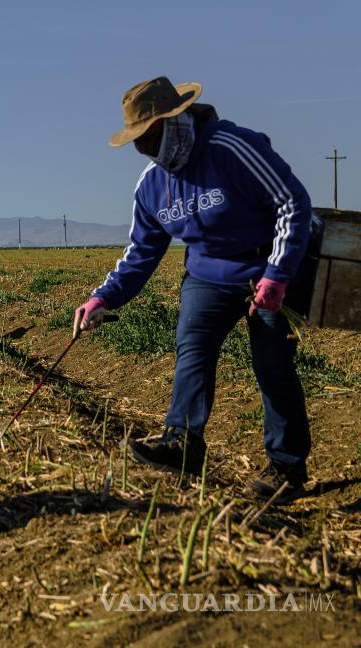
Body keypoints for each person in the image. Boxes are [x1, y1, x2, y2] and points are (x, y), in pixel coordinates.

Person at [74, 77, 314, 503]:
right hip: (208, 275)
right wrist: (103, 297)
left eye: (146, 138)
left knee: (272, 362)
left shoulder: (230, 148)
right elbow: (142, 252)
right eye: (136, 142)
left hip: (268, 265)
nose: (142, 149)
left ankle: (286, 467)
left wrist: (278, 274)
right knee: (193, 345)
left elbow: (292, 203)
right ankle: (183, 443)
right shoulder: (151, 185)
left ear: (172, 122)